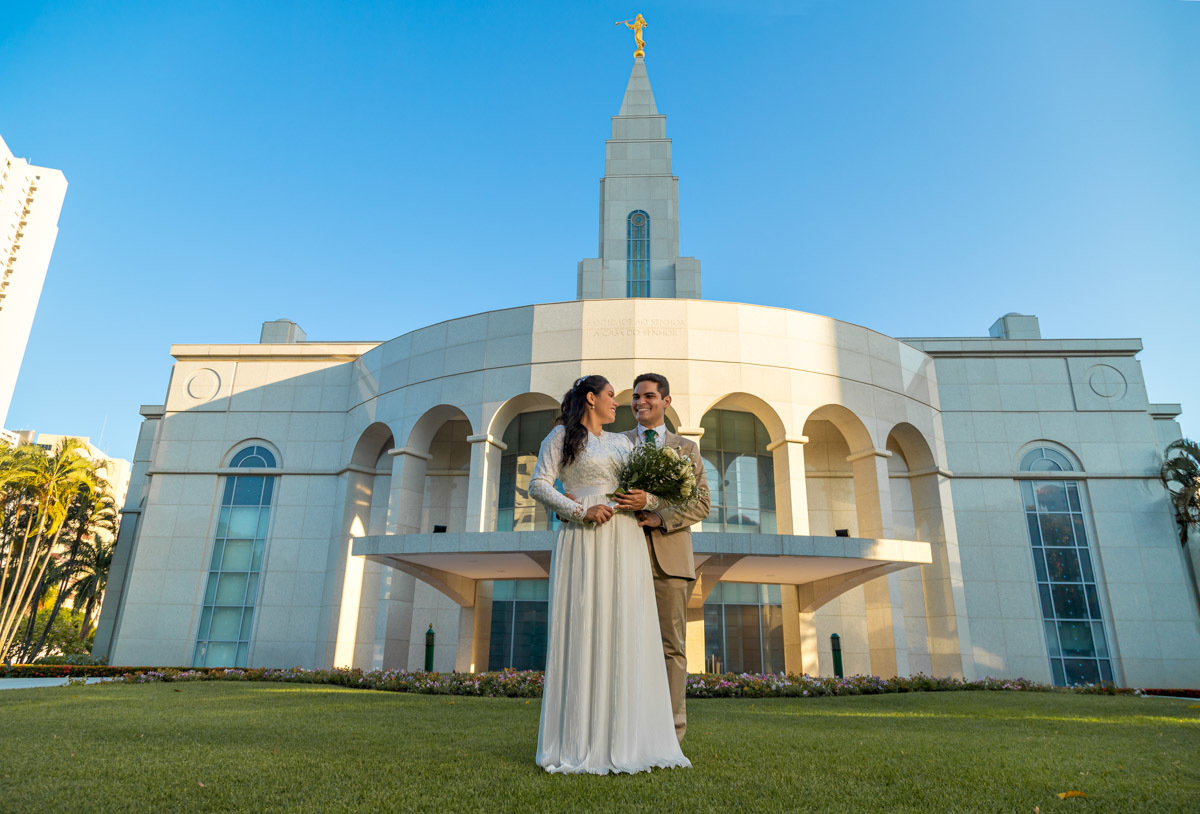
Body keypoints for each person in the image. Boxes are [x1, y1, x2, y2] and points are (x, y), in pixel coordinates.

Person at [529, 374, 690, 775]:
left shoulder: (622, 443)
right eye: (610, 396)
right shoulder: (560, 438)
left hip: (625, 538)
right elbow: (538, 485)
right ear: (590, 398)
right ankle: (580, 737)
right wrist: (580, 510)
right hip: (583, 539)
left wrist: (648, 499)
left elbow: (644, 490)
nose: (618, 403)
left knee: (627, 628)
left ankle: (630, 735)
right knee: (584, 626)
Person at [616, 372, 710, 743]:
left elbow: (702, 502)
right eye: (635, 397)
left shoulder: (686, 448)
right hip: (623, 554)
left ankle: (672, 735)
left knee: (672, 649)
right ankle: (626, 728)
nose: (640, 402)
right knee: (623, 643)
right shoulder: (616, 443)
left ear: (666, 402)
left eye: (649, 396)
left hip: (670, 560)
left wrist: (657, 511)